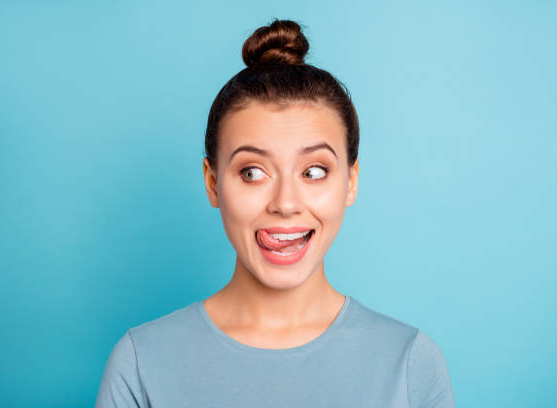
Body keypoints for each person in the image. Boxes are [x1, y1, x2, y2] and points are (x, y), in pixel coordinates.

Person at [95, 18, 455, 408]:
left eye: (314, 171)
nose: (285, 203)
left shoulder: (409, 363)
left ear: (350, 182)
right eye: (252, 172)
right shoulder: (141, 363)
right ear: (213, 183)